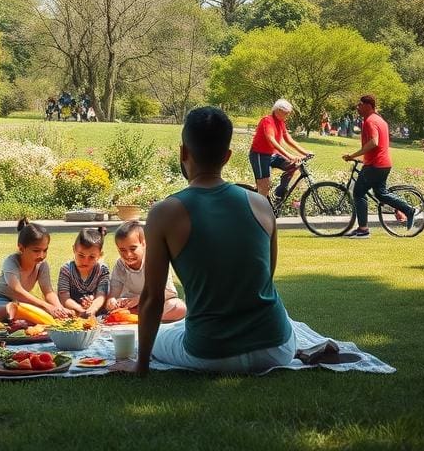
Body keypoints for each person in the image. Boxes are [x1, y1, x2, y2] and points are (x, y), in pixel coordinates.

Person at [115, 106, 294, 376]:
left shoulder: (165, 212)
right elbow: (266, 276)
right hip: (277, 348)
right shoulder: (261, 204)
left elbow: (152, 297)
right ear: (228, 156)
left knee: (162, 337)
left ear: (183, 153)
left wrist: (141, 365)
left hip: (211, 353)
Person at [343, 94, 417, 239]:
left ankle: (363, 229)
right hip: (383, 164)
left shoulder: (370, 121)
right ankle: (408, 210)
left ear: (368, 106)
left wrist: (353, 155)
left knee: (358, 193)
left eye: (360, 105)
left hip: (374, 165)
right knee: (381, 193)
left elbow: (374, 142)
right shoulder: (380, 120)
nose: (357, 107)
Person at [0, 218, 72, 322]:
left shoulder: (42, 265)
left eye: (45, 250)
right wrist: (46, 306)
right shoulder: (11, 261)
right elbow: (17, 290)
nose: (42, 255)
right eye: (36, 250)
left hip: (21, 302)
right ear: (21, 248)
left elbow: (48, 291)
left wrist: (59, 308)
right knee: (7, 310)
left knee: (39, 314)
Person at [105, 220, 186, 322]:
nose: (128, 255)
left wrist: (139, 299)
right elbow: (114, 292)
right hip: (130, 305)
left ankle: (139, 316)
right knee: (113, 310)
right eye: (122, 250)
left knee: (179, 307)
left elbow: (167, 292)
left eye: (133, 248)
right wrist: (111, 300)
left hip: (155, 303)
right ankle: (137, 316)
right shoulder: (120, 265)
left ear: (144, 244)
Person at [249, 99, 312, 200]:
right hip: (259, 155)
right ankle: (259, 211)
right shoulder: (267, 120)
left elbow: (288, 139)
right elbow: (272, 141)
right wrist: (289, 155)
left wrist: (305, 152)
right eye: (286, 113)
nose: (288, 116)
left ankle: (279, 193)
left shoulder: (280, 122)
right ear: (278, 110)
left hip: (271, 155)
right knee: (264, 186)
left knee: (293, 165)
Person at [57, 227, 110, 318]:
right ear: (74, 249)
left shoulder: (102, 270)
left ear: (100, 255)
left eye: (92, 257)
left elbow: (101, 295)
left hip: (97, 314)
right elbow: (64, 298)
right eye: (81, 255)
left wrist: (92, 309)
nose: (85, 261)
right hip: (72, 314)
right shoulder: (66, 270)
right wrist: (80, 310)